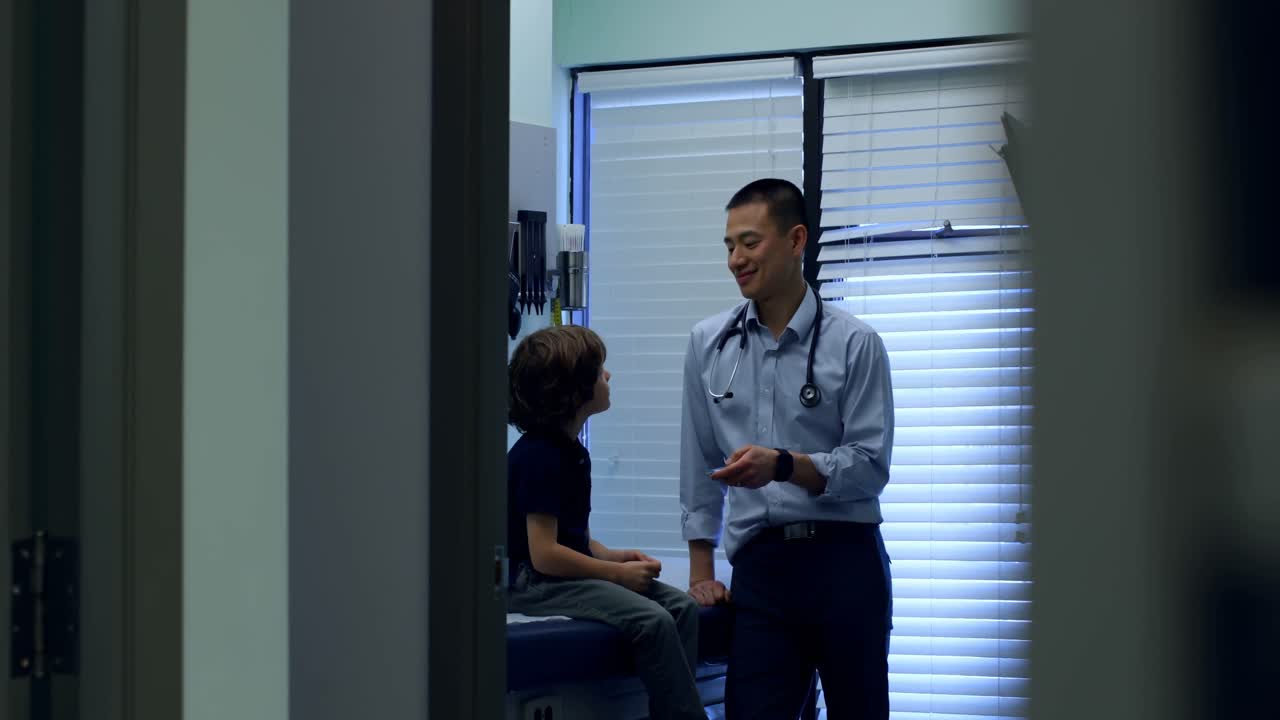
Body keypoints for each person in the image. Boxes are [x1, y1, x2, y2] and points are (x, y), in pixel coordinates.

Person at [679, 179, 895, 719]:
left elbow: (870, 467)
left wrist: (784, 465)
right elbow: (699, 458)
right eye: (729, 246)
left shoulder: (855, 343)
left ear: (796, 240)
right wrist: (701, 570)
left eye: (749, 243)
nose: (735, 259)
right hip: (763, 571)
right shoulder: (709, 344)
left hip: (845, 561)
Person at [506, 325, 707, 720]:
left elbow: (571, 537)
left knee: (682, 608)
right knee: (652, 621)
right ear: (574, 391)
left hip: (550, 574)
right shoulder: (539, 457)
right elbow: (544, 555)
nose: (608, 377)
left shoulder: (569, 451)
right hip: (530, 582)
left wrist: (612, 558)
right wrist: (615, 577)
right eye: (600, 372)